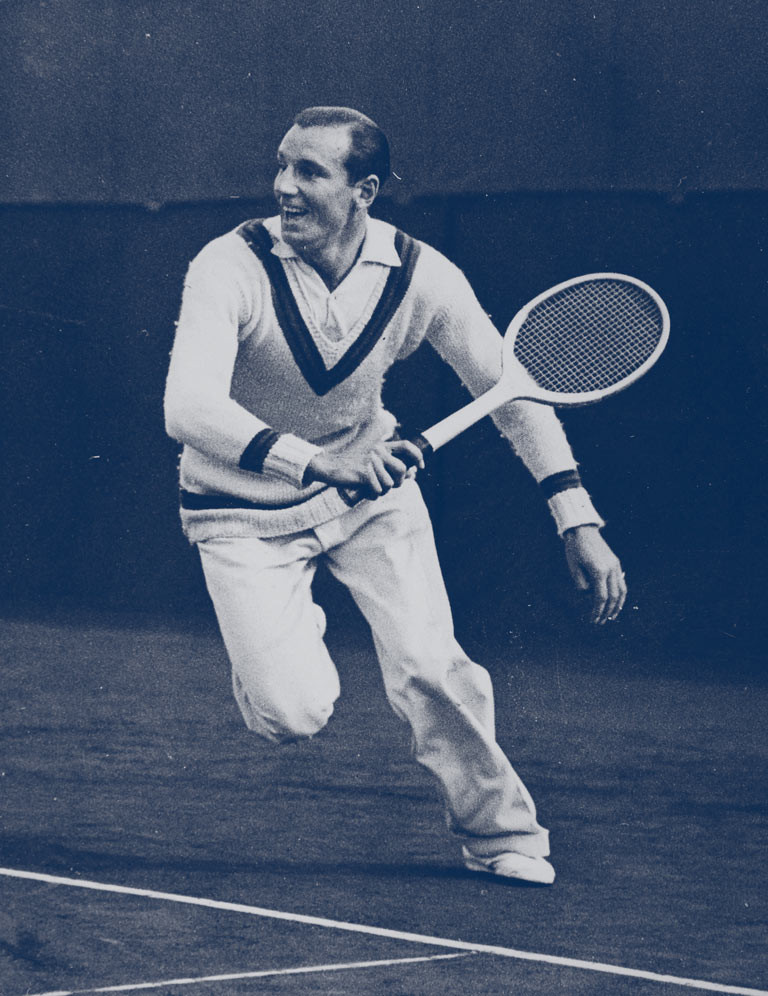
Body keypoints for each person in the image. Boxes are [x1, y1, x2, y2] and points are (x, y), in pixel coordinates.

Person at [164, 106, 626, 886]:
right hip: (239, 508)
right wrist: (316, 464)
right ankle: (271, 655)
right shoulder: (227, 264)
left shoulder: (423, 274)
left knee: (431, 666)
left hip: (369, 496)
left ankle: (501, 834)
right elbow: (188, 408)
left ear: (365, 190)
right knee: (291, 713)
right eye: (282, 165)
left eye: (309, 171)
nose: (284, 186)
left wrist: (575, 516)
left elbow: (512, 394)